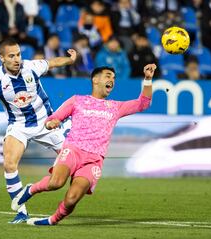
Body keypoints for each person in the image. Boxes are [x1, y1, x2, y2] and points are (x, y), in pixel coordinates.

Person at [11, 64, 156, 225]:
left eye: (114, 78)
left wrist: (148, 79)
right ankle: (31, 189)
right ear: (95, 79)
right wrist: (52, 123)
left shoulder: (115, 107)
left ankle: (53, 220)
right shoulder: (77, 100)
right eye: (108, 76)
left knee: (72, 198)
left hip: (94, 159)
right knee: (56, 183)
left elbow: (143, 103)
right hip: (73, 150)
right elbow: (54, 118)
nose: (112, 80)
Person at [0, 37, 77, 224]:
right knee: (9, 164)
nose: (17, 59)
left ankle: (68, 199)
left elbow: (52, 63)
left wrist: (70, 60)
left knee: (73, 162)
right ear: (2, 58)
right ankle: (21, 211)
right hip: (19, 126)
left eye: (18, 54)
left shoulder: (31, 66)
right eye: (11, 56)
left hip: (47, 122)